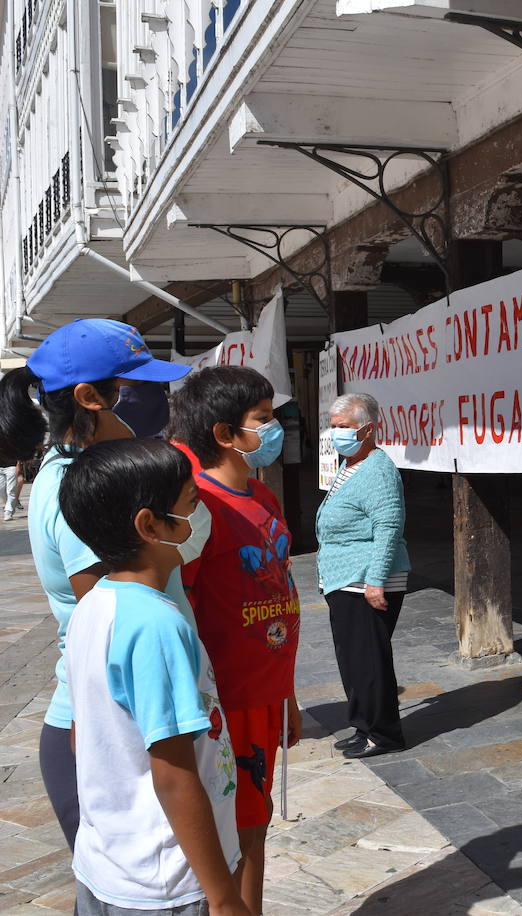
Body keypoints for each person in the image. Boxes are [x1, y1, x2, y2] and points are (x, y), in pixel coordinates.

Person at [0, 318, 190, 848]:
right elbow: (115, 624)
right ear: (89, 398)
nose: (156, 399)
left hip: (123, 720)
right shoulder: (80, 489)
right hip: (112, 729)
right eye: (138, 387)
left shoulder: (90, 471)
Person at [59, 438, 249, 916]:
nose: (202, 511)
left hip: (108, 867)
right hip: (168, 883)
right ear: (150, 525)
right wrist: (224, 896)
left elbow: (84, 737)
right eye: (192, 502)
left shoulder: (94, 606)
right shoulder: (156, 625)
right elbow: (173, 775)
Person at [167, 366, 301, 915]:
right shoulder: (198, 507)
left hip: (267, 694)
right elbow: (181, 602)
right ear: (225, 435)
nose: (275, 430)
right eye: (263, 420)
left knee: (257, 822)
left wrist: (287, 693)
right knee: (240, 832)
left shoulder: (263, 498)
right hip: (227, 702)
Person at [318, 393, 410, 759]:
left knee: (369, 660)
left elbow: (389, 526)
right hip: (345, 578)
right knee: (353, 658)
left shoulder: (377, 469)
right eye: (333, 426)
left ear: (368, 429)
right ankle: (363, 725)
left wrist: (376, 580)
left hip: (365, 579)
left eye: (343, 427)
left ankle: (384, 734)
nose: (335, 434)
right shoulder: (351, 464)